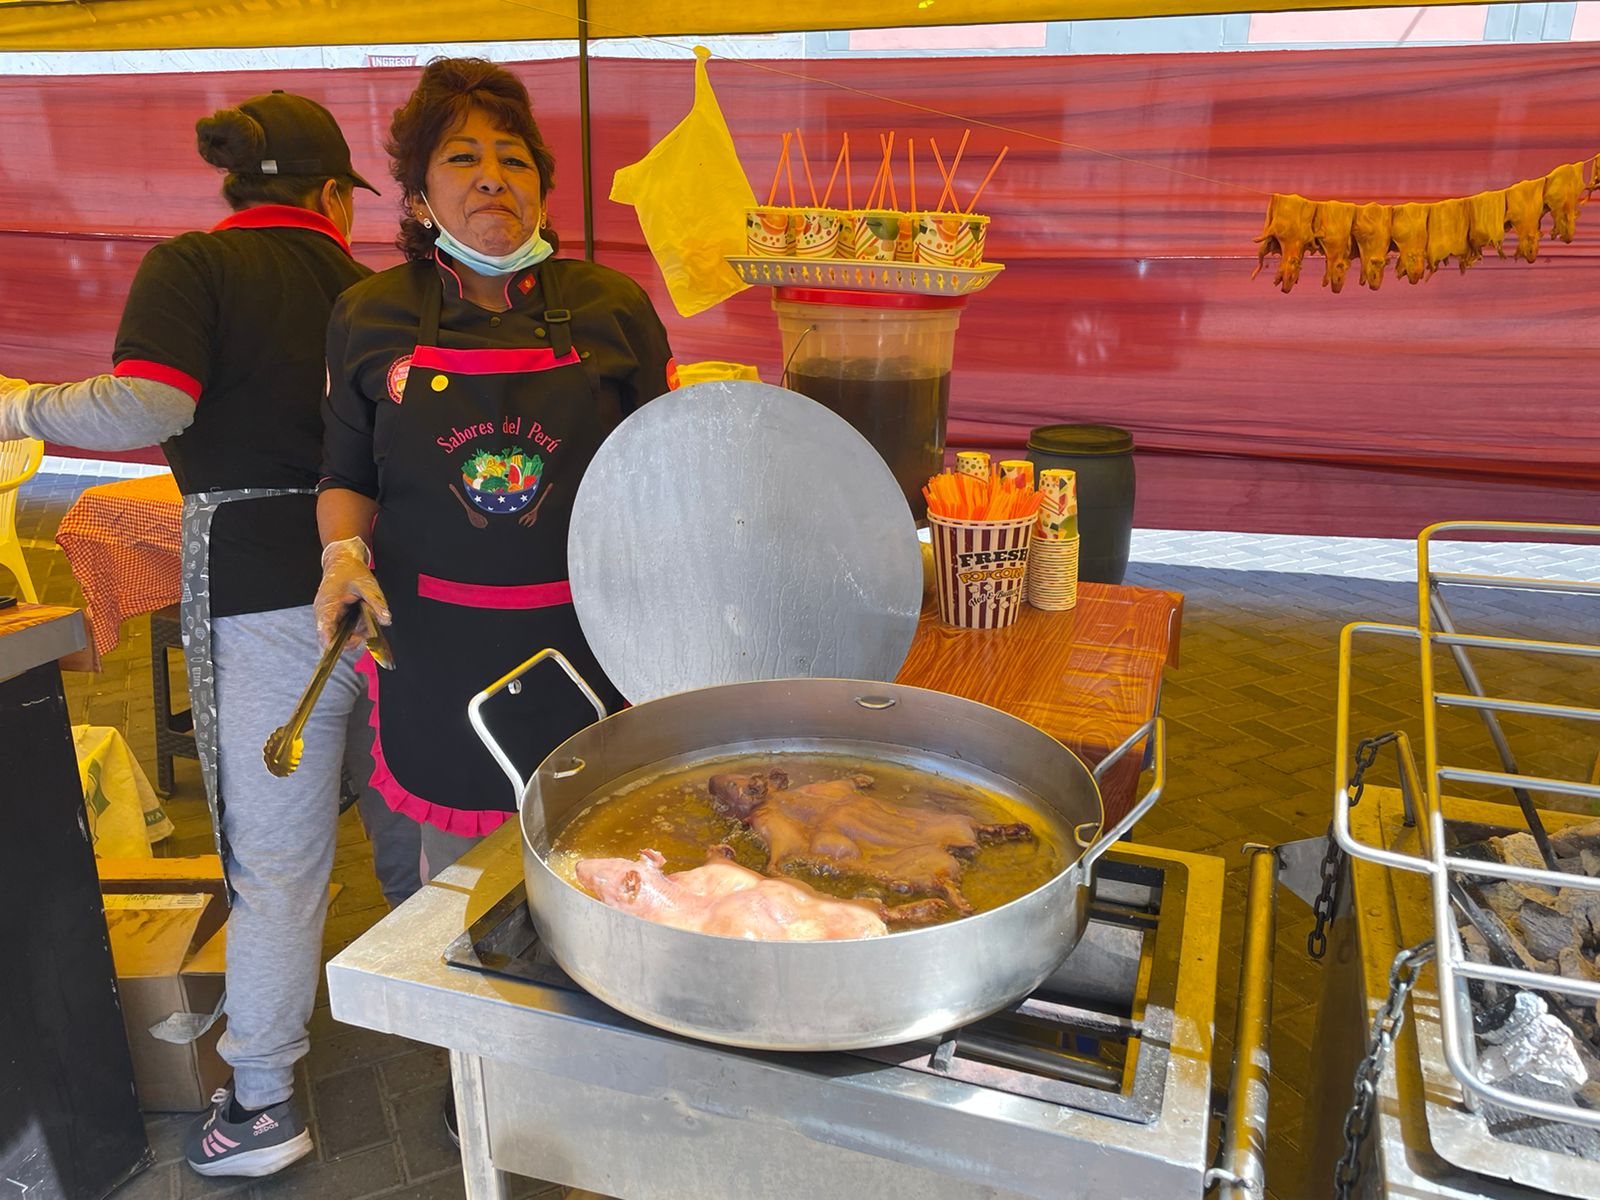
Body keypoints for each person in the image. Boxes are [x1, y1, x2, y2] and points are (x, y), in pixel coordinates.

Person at [0, 91, 420, 1178]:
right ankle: (459, 1048)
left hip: (263, 597)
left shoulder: (192, 264)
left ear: (237, 188)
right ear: (334, 195)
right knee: (419, 822)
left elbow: (147, 403)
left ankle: (265, 1105)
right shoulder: (378, 290)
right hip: (393, 583)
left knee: (278, 860)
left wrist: (19, 408)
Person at [316, 58, 676, 876]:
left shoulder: (611, 306)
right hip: (441, 645)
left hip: (588, 636)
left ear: (543, 190)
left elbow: (662, 475)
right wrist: (341, 557)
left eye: (514, 160)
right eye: (462, 158)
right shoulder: (369, 315)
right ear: (417, 198)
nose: (492, 179)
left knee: (603, 860)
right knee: (465, 888)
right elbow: (346, 475)